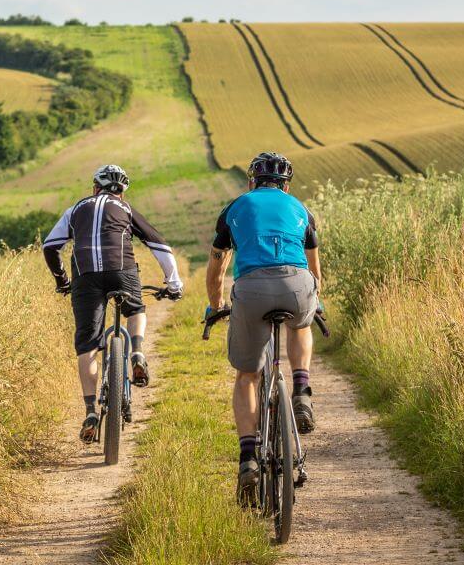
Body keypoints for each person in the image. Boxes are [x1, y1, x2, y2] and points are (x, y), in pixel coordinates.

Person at [205, 152, 323, 504]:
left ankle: (248, 458)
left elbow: (217, 269)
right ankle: (301, 390)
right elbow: (315, 272)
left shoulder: (235, 208)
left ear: (251, 182)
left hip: (252, 288)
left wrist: (216, 306)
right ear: (286, 186)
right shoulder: (301, 209)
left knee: (247, 375)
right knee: (302, 324)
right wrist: (315, 303)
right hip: (297, 285)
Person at [43, 164, 184, 442]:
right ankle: (137, 353)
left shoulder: (76, 209)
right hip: (122, 270)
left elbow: (50, 246)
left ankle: (89, 411)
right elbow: (159, 245)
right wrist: (174, 284)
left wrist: (62, 281)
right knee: (136, 309)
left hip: (85, 276)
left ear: (95, 188)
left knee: (88, 344)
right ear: (122, 192)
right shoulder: (126, 209)